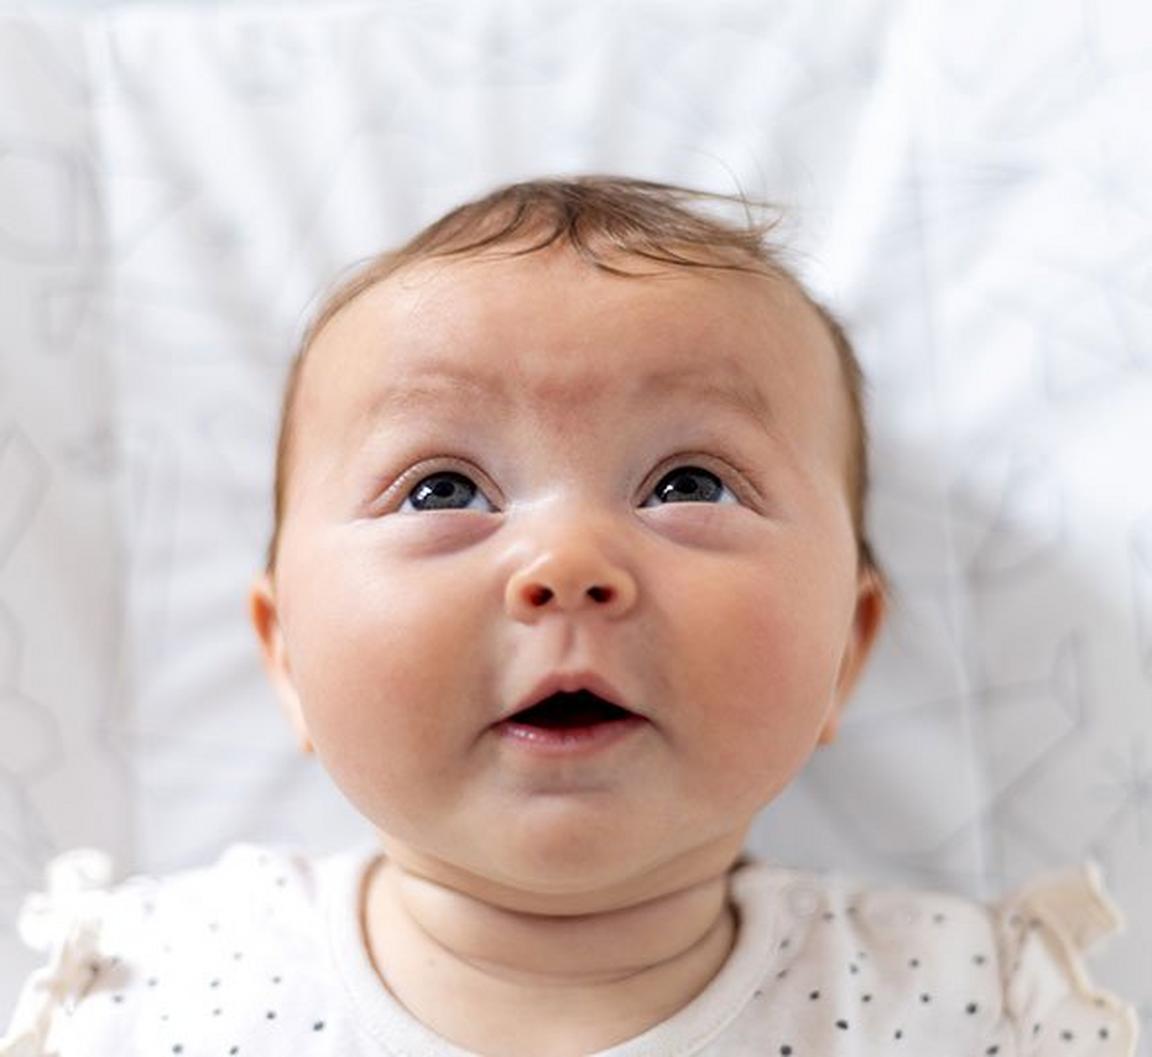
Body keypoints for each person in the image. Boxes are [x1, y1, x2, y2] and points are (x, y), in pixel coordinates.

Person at [2, 176, 1137, 1057]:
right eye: (442, 489)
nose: (567, 564)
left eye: (689, 484)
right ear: (286, 655)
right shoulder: (160, 990)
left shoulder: (972, 1005)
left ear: (846, 647)